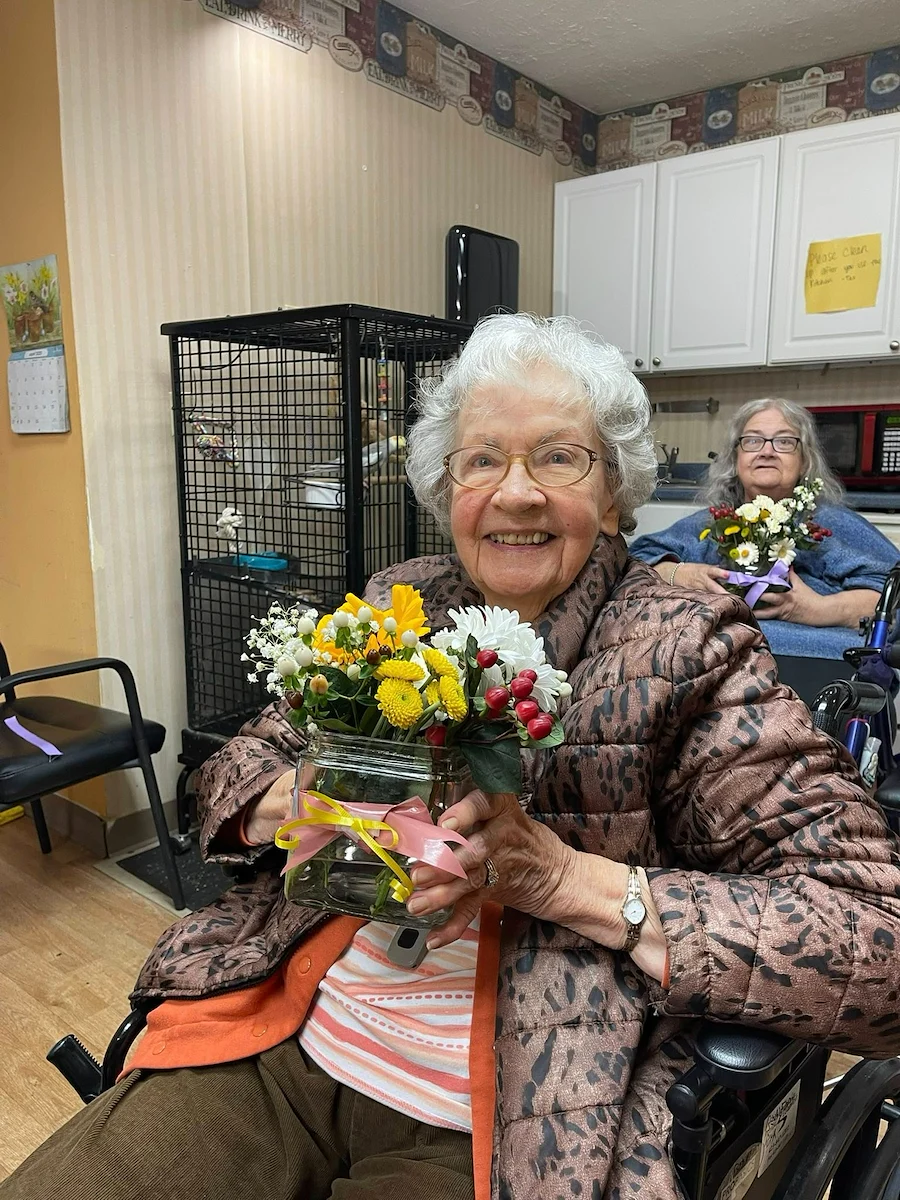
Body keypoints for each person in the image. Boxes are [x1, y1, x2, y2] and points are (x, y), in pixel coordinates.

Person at [6, 315, 900, 1200]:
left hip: (513, 1108)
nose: (515, 494)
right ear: (446, 487)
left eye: (558, 457)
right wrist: (302, 794)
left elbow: (877, 942)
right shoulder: (402, 599)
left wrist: (556, 878)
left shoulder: (688, 649)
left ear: (617, 490)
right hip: (287, 1036)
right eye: (482, 460)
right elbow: (230, 773)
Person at [630, 397, 899, 657]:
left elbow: (894, 592)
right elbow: (637, 565)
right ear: (736, 459)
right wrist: (681, 574)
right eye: (753, 441)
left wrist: (820, 609)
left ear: (804, 461)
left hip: (816, 667)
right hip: (722, 666)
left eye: (784, 441)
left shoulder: (829, 523)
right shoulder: (714, 523)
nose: (767, 451)